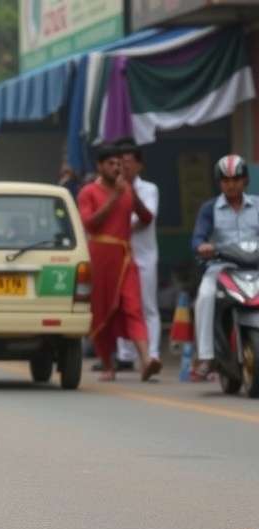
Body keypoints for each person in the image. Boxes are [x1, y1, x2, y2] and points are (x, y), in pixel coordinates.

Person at [78, 145, 161, 382]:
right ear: (99, 166)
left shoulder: (127, 191)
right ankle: (107, 364)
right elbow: (90, 224)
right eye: (111, 164)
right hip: (100, 259)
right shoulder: (88, 192)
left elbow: (146, 218)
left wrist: (132, 198)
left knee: (133, 307)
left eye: (119, 164)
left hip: (125, 257)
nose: (117, 168)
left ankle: (146, 360)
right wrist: (114, 197)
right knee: (102, 311)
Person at [190, 155, 259, 378]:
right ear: (219, 183)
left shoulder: (257, 205)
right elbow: (198, 238)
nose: (231, 185)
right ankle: (207, 357)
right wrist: (202, 246)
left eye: (236, 179)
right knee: (205, 296)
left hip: (255, 267)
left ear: (245, 180)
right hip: (222, 269)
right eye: (226, 180)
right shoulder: (210, 209)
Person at [115, 139, 162, 373]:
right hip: (120, 256)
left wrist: (118, 227)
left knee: (147, 305)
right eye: (120, 162)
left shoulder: (149, 189)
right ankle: (125, 355)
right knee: (122, 305)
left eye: (129, 162)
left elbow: (144, 219)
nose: (124, 166)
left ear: (139, 165)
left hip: (144, 256)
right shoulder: (112, 188)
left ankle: (152, 354)